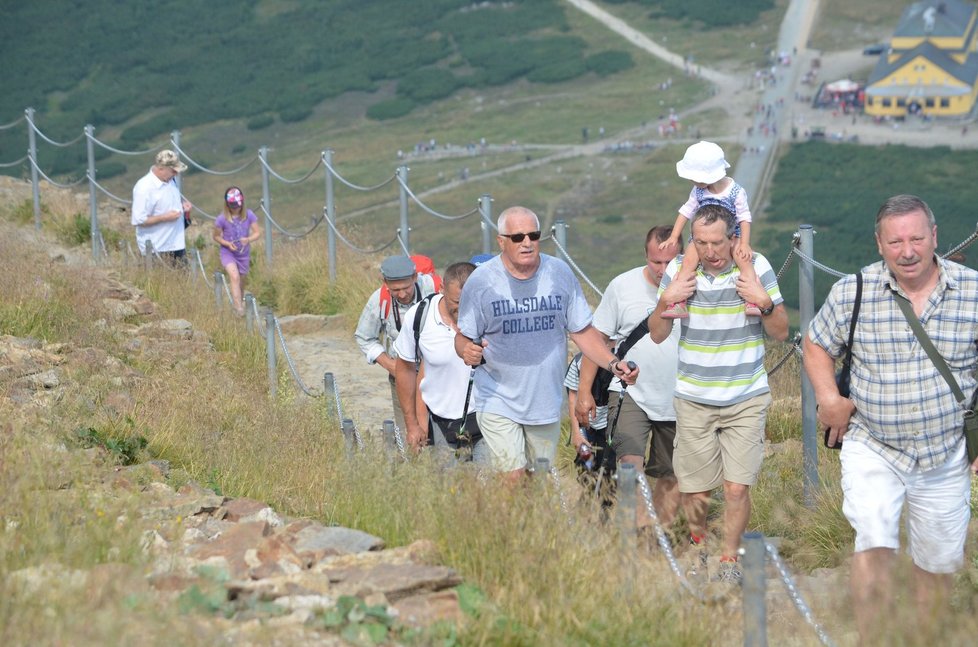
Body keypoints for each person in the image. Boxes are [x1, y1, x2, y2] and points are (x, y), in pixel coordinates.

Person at [804, 194, 978, 641]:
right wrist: (828, 399)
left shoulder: (973, 292)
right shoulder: (853, 291)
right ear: (879, 244)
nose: (908, 250)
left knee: (936, 564)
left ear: (934, 237)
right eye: (896, 241)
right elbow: (817, 344)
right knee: (875, 543)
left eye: (917, 238)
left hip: (945, 453)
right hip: (873, 446)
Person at [648, 203, 788, 582]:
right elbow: (657, 333)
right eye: (701, 242)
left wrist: (764, 301)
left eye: (717, 242)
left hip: (746, 395)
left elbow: (781, 331)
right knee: (696, 491)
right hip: (694, 396)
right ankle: (699, 544)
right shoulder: (679, 269)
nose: (710, 251)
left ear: (733, 239)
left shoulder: (756, 266)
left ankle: (729, 561)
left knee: (736, 488)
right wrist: (667, 298)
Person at [454, 206, 638, 481]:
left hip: (544, 401)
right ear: (501, 241)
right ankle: (509, 524)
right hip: (497, 397)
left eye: (534, 235)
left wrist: (613, 364)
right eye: (518, 237)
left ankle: (516, 524)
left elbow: (583, 331)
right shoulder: (481, 281)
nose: (527, 242)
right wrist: (465, 350)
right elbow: (462, 337)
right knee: (512, 477)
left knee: (537, 481)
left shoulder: (559, 274)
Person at [575, 225, 682, 531]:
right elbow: (596, 341)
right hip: (628, 391)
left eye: (670, 263)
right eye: (655, 262)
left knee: (670, 472)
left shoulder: (697, 287)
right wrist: (584, 391)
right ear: (645, 256)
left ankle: (654, 536)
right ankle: (631, 533)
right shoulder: (622, 286)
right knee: (628, 463)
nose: (663, 270)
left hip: (678, 395)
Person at [393, 261, 487, 463]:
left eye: (470, 301)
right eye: (456, 302)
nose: (463, 309)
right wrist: (412, 424)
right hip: (440, 425)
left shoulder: (491, 314)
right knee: (448, 491)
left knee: (490, 489)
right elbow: (406, 370)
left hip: (488, 419)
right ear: (442, 289)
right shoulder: (419, 317)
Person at [659, 141, 760, 318]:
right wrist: (674, 236)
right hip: (702, 236)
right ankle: (679, 302)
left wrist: (744, 243)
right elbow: (686, 211)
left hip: (731, 235)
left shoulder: (735, 192)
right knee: (688, 262)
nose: (692, 181)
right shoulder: (697, 191)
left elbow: (744, 218)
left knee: (744, 262)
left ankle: (752, 299)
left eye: (694, 177)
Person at [355, 256, 437, 431]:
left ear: (415, 277)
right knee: (410, 431)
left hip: (438, 376)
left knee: (439, 432)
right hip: (402, 376)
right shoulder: (379, 299)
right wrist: (391, 366)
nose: (402, 294)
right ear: (385, 283)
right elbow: (364, 337)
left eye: (406, 288)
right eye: (395, 289)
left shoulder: (435, 289)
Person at [131, 150, 191, 263]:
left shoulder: (171, 181)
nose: (176, 174)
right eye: (173, 171)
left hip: (177, 245)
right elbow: (138, 219)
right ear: (161, 168)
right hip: (156, 249)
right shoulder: (144, 187)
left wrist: (184, 209)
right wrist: (164, 217)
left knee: (184, 280)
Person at [212, 187, 261, 316]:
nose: (236, 209)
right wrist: (227, 243)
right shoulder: (221, 219)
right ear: (227, 205)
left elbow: (257, 233)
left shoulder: (249, 215)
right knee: (234, 277)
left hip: (243, 254)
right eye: (233, 206)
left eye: (237, 206)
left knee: (241, 280)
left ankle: (239, 300)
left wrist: (248, 239)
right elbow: (216, 236)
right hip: (228, 252)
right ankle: (238, 308)